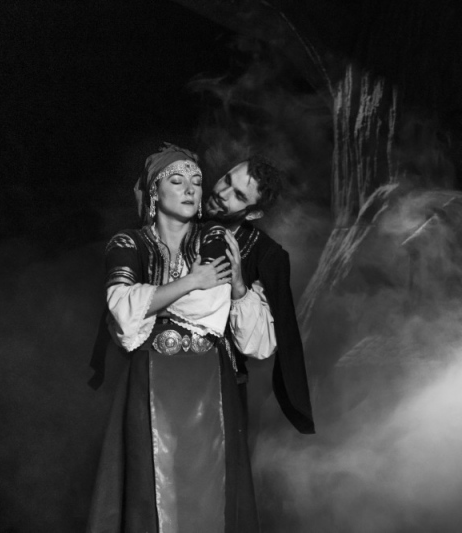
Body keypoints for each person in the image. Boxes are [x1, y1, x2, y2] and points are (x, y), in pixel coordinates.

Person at [87, 144, 284, 533]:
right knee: (149, 494)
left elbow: (219, 313)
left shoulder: (214, 238)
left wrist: (155, 302)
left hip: (209, 384)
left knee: (210, 496)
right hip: (149, 383)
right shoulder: (128, 244)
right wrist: (191, 281)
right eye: (177, 181)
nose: (192, 189)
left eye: (196, 180)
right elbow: (123, 314)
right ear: (154, 192)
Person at [204, 154, 314, 435]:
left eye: (239, 195)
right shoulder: (178, 216)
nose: (222, 193)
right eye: (227, 180)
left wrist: (239, 287)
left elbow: (259, 347)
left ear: (252, 214)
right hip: (155, 371)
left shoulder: (266, 255)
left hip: (217, 388)